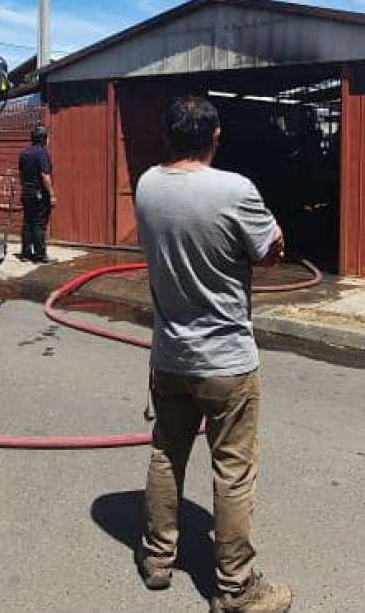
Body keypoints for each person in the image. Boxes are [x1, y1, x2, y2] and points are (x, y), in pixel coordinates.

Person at [134, 96, 291, 613]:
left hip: (170, 354)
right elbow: (269, 251)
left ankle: (157, 559)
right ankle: (236, 588)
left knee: (166, 452)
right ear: (216, 135)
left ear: (166, 136)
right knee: (233, 470)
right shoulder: (235, 189)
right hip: (225, 360)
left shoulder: (147, 185)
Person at [18, 124, 56, 263]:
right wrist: (52, 194)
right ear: (43, 139)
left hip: (27, 192)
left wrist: (25, 188)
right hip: (39, 193)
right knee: (39, 224)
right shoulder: (42, 153)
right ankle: (40, 255)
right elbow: (45, 175)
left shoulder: (24, 153)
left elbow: (21, 175)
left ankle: (26, 253)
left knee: (28, 222)